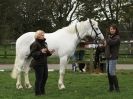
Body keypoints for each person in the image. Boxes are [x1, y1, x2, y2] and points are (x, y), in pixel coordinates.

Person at [30, 30, 54, 96]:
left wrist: (50, 52)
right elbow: (33, 54)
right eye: (42, 35)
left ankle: (42, 91)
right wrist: (41, 52)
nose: (43, 36)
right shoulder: (34, 44)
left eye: (43, 35)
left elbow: (45, 54)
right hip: (37, 64)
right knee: (39, 79)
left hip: (44, 63)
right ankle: (37, 93)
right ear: (38, 36)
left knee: (45, 77)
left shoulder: (44, 43)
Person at [105, 24, 120, 92]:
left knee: (112, 72)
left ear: (116, 30)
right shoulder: (110, 37)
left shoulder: (117, 37)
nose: (112, 30)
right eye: (111, 29)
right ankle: (111, 87)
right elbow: (107, 45)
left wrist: (107, 38)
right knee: (108, 72)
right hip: (108, 57)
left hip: (113, 57)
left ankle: (117, 88)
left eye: (113, 29)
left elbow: (111, 42)